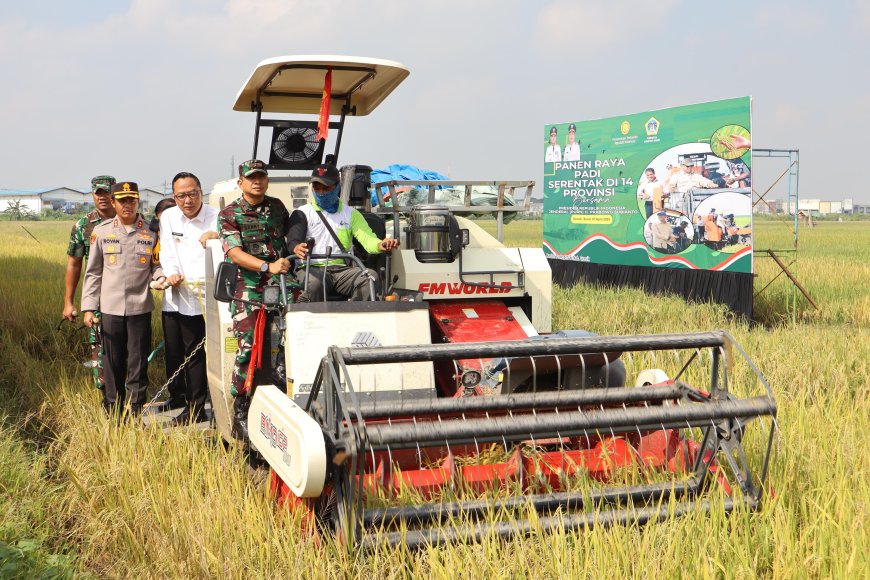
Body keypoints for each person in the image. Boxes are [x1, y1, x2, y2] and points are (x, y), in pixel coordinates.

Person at [218, 160, 291, 442]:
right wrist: (266, 267)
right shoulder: (230, 213)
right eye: (251, 178)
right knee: (248, 344)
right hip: (247, 285)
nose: (256, 182)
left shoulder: (277, 208)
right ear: (241, 183)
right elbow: (235, 254)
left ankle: (284, 380)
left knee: (305, 319)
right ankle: (241, 411)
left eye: (261, 177)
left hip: (282, 281)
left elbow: (288, 239)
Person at [82, 182, 165, 416]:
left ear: (138, 201)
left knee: (138, 362)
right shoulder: (102, 232)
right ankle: (113, 406)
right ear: (114, 202)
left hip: (140, 307)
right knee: (112, 361)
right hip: (110, 308)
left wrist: (160, 278)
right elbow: (93, 272)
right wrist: (89, 308)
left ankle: (136, 408)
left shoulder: (150, 232)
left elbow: (156, 265)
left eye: (132, 200)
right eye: (122, 201)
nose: (127, 205)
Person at [287, 164, 400, 302]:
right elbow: (293, 240)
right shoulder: (302, 213)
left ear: (338, 186)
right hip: (311, 269)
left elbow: (368, 240)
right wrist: (296, 247)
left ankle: (356, 319)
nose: (321, 192)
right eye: (317, 187)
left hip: (342, 271)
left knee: (370, 278)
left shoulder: (351, 214)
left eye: (326, 188)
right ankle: (312, 323)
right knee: (313, 284)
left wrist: (381, 244)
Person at [158, 172, 219, 424]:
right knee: (192, 352)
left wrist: (217, 237)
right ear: (174, 197)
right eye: (181, 195)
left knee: (218, 351)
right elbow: (168, 251)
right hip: (184, 295)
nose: (187, 200)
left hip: (215, 297)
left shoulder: (217, 217)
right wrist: (171, 273)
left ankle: (219, 406)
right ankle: (194, 409)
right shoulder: (170, 217)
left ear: (200, 192)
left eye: (192, 193)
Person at [62, 175, 116, 389]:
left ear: (115, 194)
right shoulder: (83, 225)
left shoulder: (128, 218)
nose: (103, 197)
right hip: (97, 298)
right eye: (98, 193)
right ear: (93, 194)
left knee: (129, 348)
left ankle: (130, 397)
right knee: (99, 347)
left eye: (107, 192)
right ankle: (106, 395)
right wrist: (69, 301)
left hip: (126, 296)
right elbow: (73, 265)